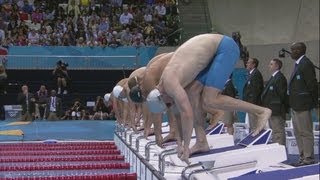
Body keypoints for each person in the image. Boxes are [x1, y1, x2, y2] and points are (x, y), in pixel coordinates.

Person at [141, 34, 271, 163]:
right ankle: (201, 142)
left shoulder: (170, 83)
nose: (170, 105)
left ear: (161, 97)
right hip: (209, 52)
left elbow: (187, 114)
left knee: (210, 99)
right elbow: (177, 115)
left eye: (167, 105)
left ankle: (260, 111)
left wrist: (186, 147)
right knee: (192, 93)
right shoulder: (165, 87)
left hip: (225, 47)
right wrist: (179, 143)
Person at [288, 42, 318, 166]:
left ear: (300, 50)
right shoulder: (298, 64)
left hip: (303, 105)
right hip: (295, 105)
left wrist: (313, 103)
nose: (291, 52)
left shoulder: (306, 64)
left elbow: (312, 85)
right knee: (298, 132)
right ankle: (302, 156)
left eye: (293, 50)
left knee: (305, 132)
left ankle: (309, 158)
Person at [261, 58, 288, 145]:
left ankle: (280, 149)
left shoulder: (280, 78)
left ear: (277, 66)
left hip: (277, 110)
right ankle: (276, 148)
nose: (269, 66)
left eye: (271, 64)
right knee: (274, 131)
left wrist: (278, 107)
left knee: (278, 131)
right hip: (271, 109)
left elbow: (282, 95)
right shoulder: (273, 78)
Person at [243, 57, 264, 132]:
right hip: (250, 103)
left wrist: (252, 104)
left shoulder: (256, 74)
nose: (246, 64)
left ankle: (256, 141)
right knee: (252, 124)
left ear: (254, 64)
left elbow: (256, 91)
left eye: (248, 62)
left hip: (253, 103)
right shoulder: (251, 74)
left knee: (254, 125)